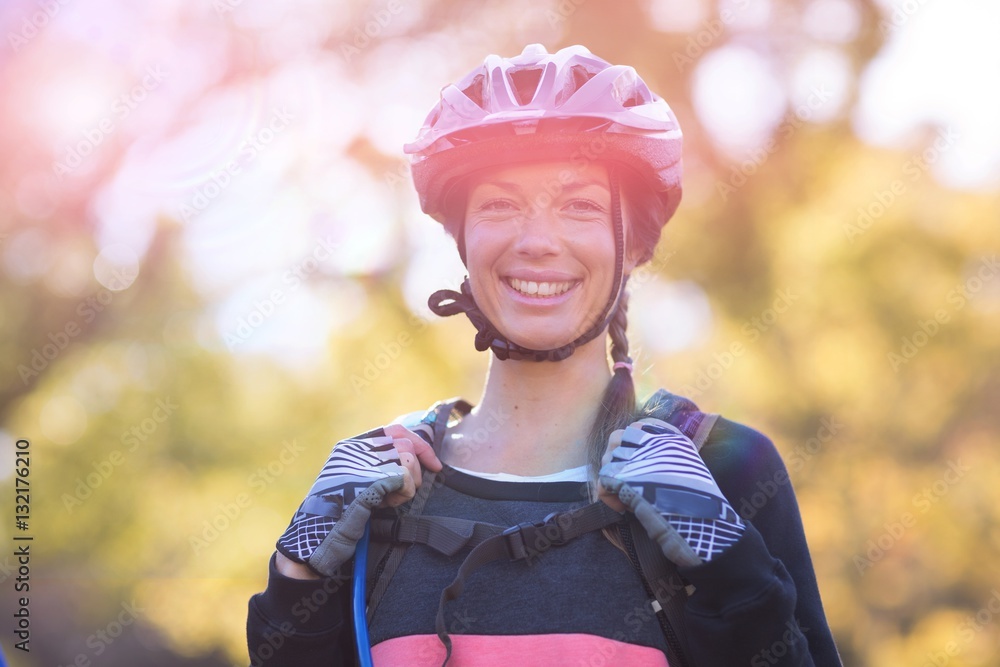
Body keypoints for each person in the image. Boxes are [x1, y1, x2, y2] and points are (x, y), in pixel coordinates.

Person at [247, 44, 842, 666]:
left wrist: (730, 562)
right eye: (500, 204)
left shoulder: (726, 466)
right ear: (463, 241)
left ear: (634, 243)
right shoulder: (377, 491)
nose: (536, 242)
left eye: (580, 205)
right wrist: (297, 574)